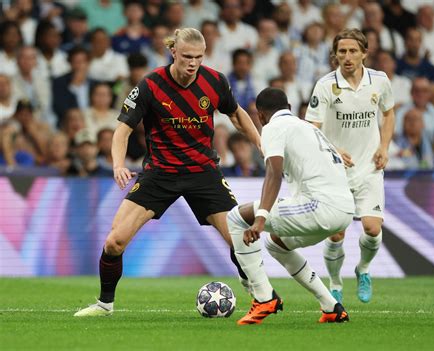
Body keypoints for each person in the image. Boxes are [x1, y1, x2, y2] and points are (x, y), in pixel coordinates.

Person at [74, 27, 261, 317]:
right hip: (160, 172)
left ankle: (257, 292)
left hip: (203, 171)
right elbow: (122, 131)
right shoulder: (150, 85)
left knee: (240, 239)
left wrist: (261, 144)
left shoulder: (215, 81)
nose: (193, 63)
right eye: (187, 56)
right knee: (114, 242)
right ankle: (104, 304)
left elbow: (236, 113)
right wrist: (118, 164)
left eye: (199, 57)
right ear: (173, 51)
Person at [227, 87, 354, 325]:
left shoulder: (274, 127)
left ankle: (263, 297)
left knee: (236, 217)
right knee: (276, 244)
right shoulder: (307, 127)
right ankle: (331, 306)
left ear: (260, 115)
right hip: (344, 209)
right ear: (289, 108)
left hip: (320, 206)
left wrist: (261, 217)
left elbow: (274, 173)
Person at [305, 28, 395, 304]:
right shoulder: (325, 85)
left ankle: (363, 270)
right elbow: (311, 128)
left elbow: (389, 113)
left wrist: (384, 147)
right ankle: (334, 283)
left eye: (353, 51)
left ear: (364, 53)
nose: (347, 56)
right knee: (336, 233)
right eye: (341, 51)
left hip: (369, 167)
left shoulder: (379, 82)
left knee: (372, 228)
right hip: (335, 171)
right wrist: (333, 150)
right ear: (335, 55)